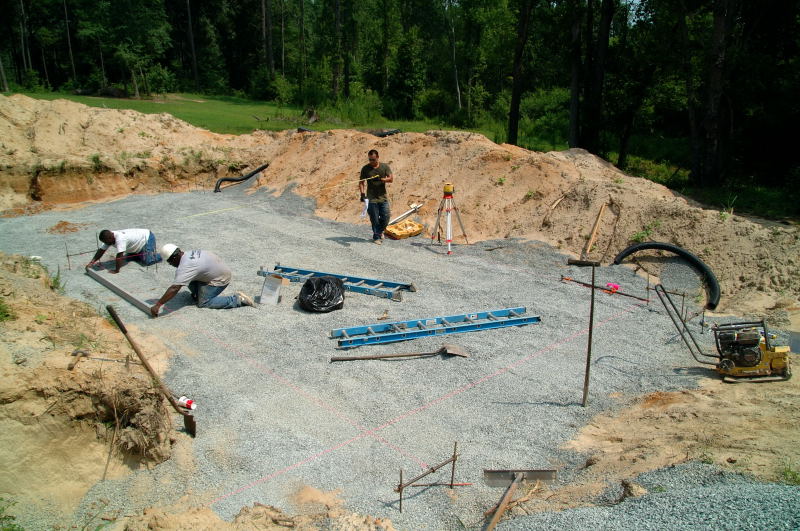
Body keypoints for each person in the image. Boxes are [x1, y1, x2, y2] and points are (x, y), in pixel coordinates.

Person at [149, 244, 255, 317]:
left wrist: (158, 305)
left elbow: (174, 288)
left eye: (170, 263)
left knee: (204, 302)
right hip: (218, 271)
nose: (171, 265)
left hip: (220, 279)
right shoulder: (187, 254)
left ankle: (238, 300)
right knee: (184, 278)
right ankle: (199, 293)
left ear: (174, 258)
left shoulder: (185, 267)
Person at [87, 228, 161, 274]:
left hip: (147, 238)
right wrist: (91, 262)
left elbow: (119, 256)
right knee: (128, 259)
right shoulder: (108, 237)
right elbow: (101, 251)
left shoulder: (120, 238)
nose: (106, 244)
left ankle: (163, 254)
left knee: (148, 261)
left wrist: (116, 270)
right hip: (135, 245)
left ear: (111, 237)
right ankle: (140, 253)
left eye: (107, 242)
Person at [359, 149, 393, 244]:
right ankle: (376, 237)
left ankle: (380, 231)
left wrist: (382, 179)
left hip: (383, 197)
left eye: (373, 159)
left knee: (386, 217)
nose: (371, 162)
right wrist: (362, 194)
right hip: (371, 198)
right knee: (374, 218)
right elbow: (361, 182)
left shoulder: (384, 167)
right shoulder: (365, 168)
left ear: (377, 157)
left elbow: (391, 179)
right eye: (369, 159)